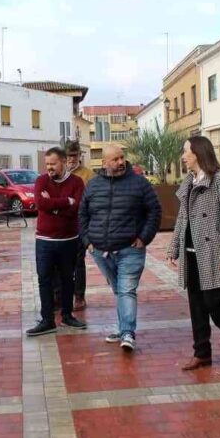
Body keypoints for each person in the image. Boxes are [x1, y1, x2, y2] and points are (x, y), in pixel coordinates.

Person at [166, 136, 220, 370]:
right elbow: (183, 218)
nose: (183, 156)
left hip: (214, 253)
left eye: (186, 151)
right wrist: (174, 248)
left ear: (198, 153)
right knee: (197, 307)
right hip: (192, 253)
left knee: (215, 303)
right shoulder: (189, 181)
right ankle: (202, 353)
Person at [79, 144, 161, 351]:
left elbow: (154, 211)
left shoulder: (140, 184)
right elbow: (83, 214)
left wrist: (144, 237)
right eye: (115, 159)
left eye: (122, 157)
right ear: (104, 163)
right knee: (119, 290)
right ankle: (123, 327)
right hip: (101, 251)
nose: (120, 162)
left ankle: (127, 333)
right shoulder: (93, 185)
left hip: (130, 249)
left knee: (126, 290)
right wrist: (87, 241)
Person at [26, 147, 87, 336]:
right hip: (44, 240)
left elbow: (76, 208)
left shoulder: (77, 182)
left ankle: (67, 315)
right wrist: (64, 202)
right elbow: (40, 204)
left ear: (63, 162)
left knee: (68, 279)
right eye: (47, 164)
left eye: (53, 164)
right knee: (44, 278)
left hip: (69, 239)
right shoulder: (41, 180)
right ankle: (47, 320)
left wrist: (54, 203)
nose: (49, 168)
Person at [65, 140, 95, 311]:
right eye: (68, 155)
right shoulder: (60, 174)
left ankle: (79, 296)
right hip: (61, 225)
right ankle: (60, 295)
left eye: (74, 155)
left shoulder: (88, 175)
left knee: (78, 262)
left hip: (79, 224)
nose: (71, 159)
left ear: (79, 156)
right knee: (59, 263)